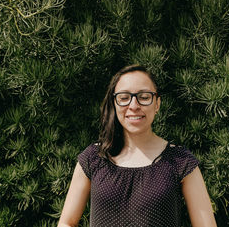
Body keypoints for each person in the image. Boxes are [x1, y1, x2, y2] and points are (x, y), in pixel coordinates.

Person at [58, 65, 217, 227]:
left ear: (157, 104)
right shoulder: (93, 157)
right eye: (124, 97)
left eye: (144, 96)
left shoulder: (181, 161)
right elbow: (67, 223)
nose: (134, 105)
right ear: (114, 103)